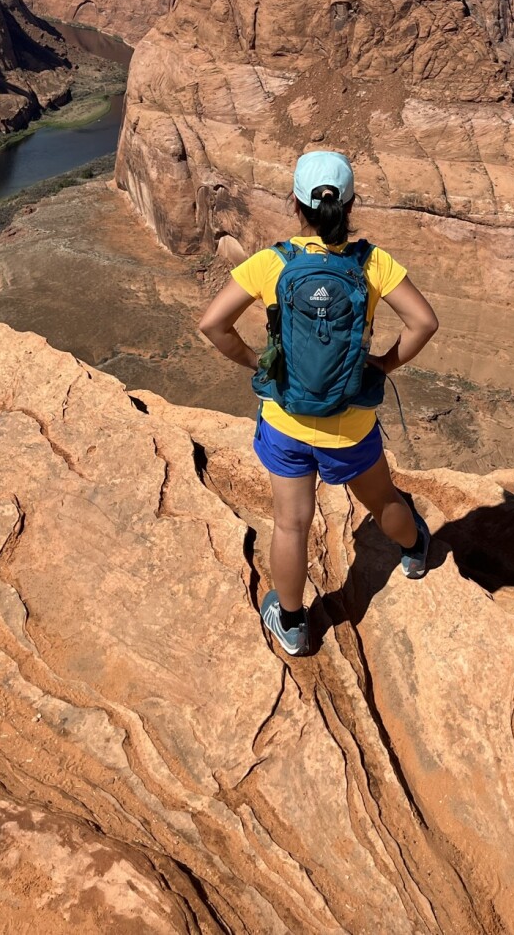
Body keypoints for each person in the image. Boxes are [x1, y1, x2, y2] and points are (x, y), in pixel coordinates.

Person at [198, 150, 439, 657]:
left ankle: (291, 623)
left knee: (291, 523)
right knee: (384, 501)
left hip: (285, 420)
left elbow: (212, 324)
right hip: (350, 424)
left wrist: (258, 364)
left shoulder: (273, 263)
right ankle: (415, 551)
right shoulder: (371, 263)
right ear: (350, 204)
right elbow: (424, 322)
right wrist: (382, 365)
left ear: (296, 203)